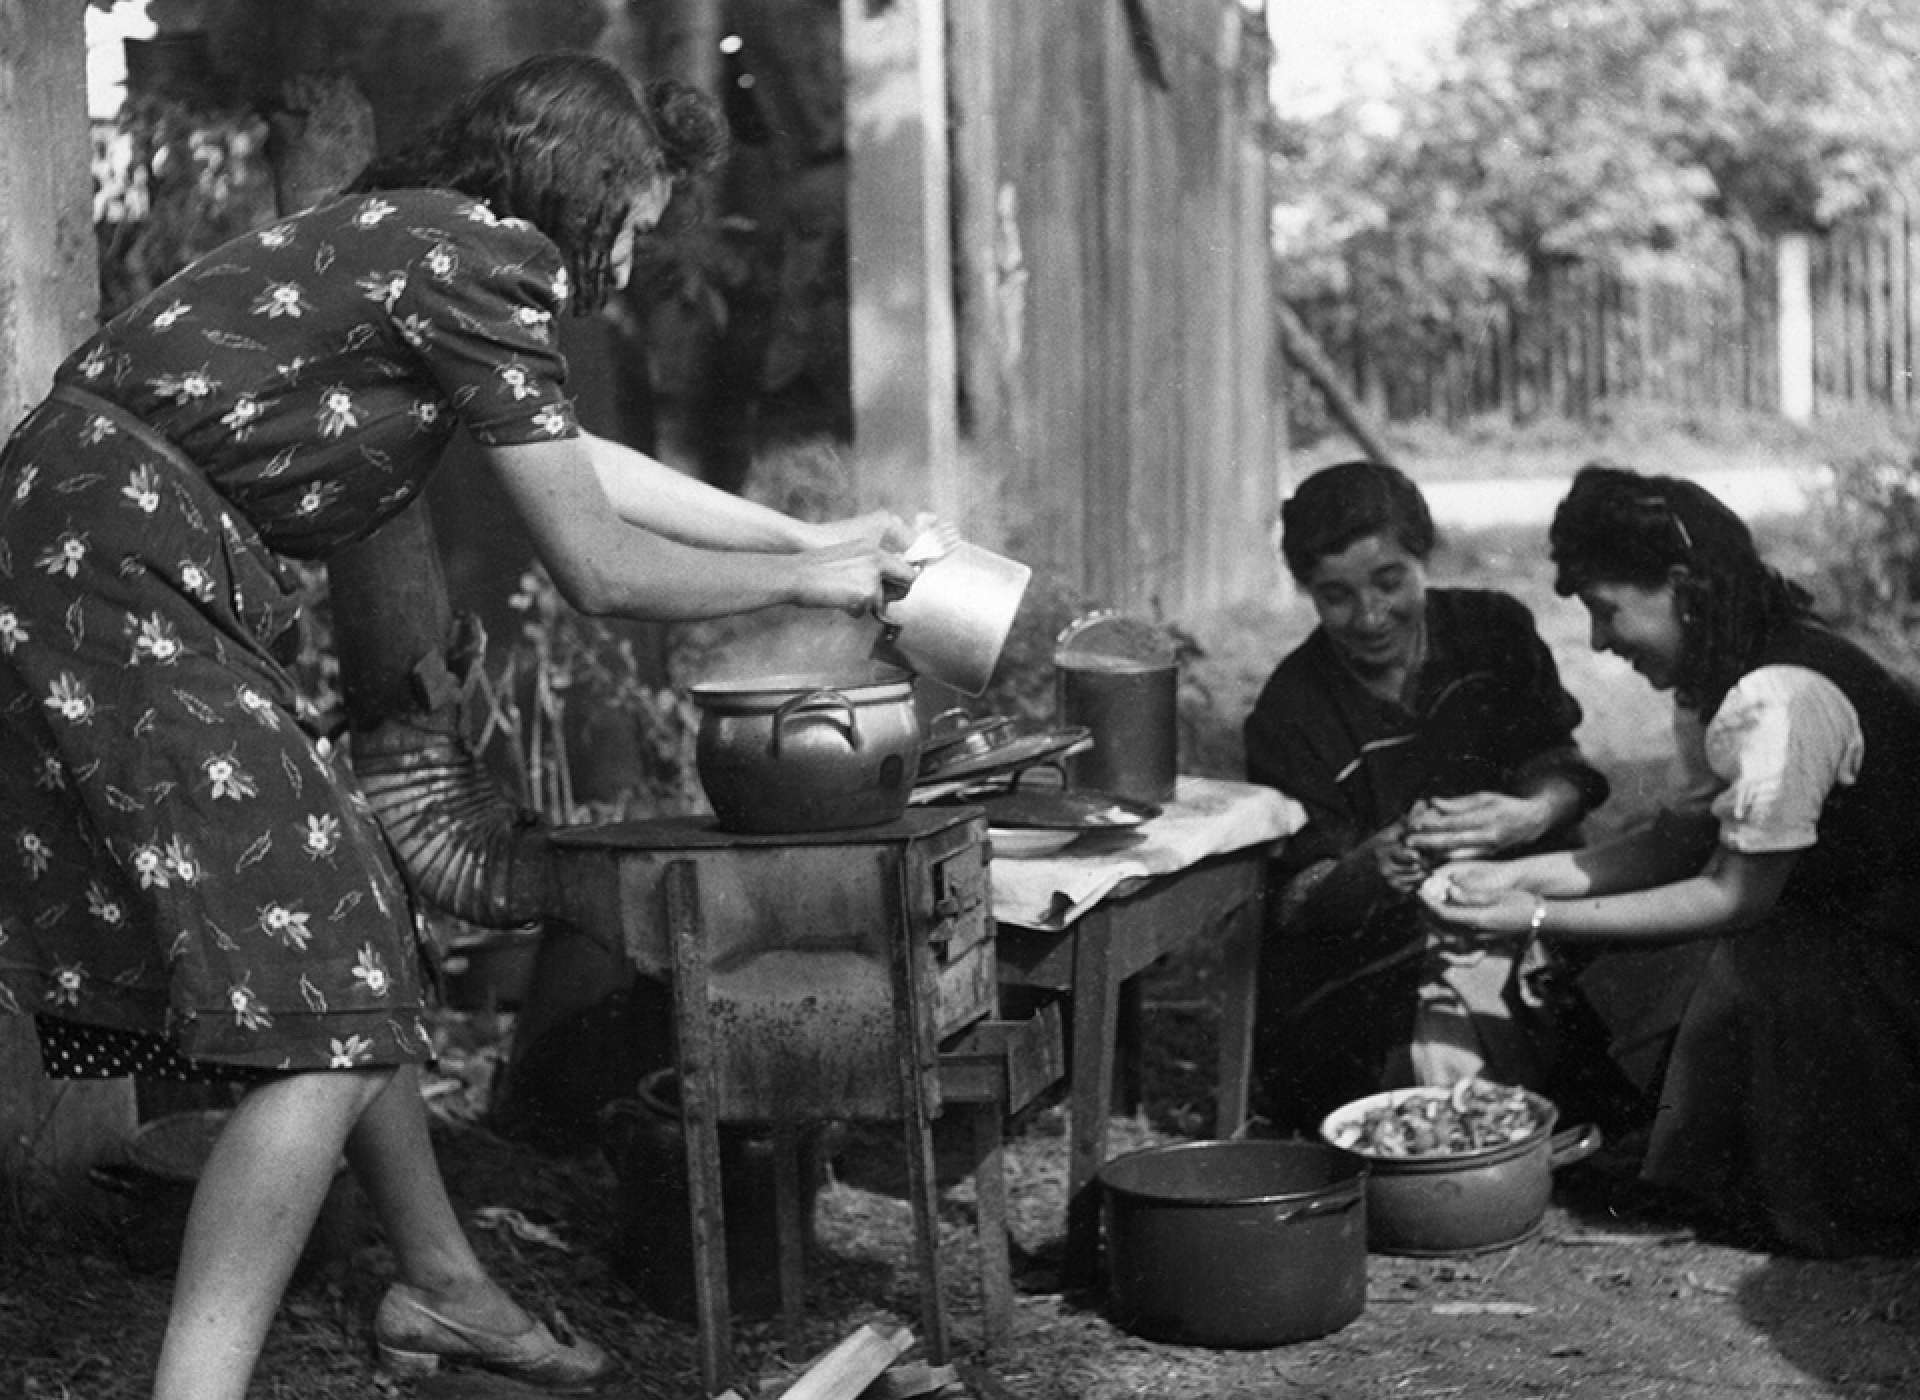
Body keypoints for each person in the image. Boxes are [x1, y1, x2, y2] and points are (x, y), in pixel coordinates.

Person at [0, 54, 922, 1398]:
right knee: (324, 1010)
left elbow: (577, 460)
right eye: (635, 219)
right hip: (113, 567)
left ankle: (442, 1285)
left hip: (94, 544)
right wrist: (810, 582)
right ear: (585, 186)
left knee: (348, 924)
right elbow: (598, 566)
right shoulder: (488, 255)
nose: (624, 260)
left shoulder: (420, 237)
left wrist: (809, 531)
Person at [1420, 462, 1920, 1257]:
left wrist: (1540, 915)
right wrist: (1514, 875)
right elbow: (1671, 843)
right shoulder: (1715, 683)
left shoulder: (1779, 696)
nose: (1597, 640)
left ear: (1683, 587)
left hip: (1883, 969)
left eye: (1605, 609)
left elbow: (1735, 897)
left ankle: (1796, 1185)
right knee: (1631, 968)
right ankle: (1685, 1151)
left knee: (1708, 967)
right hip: (1820, 930)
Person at [1243, 459, 1619, 1135]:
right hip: (1380, 956)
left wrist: (1531, 812)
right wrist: (1364, 869)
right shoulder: (1291, 711)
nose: (1369, 616)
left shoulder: (1491, 633)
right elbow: (1296, 902)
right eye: (1336, 596)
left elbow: (1563, 767)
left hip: (1528, 900)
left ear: (1424, 557)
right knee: (1404, 1073)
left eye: (1390, 581)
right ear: (1305, 590)